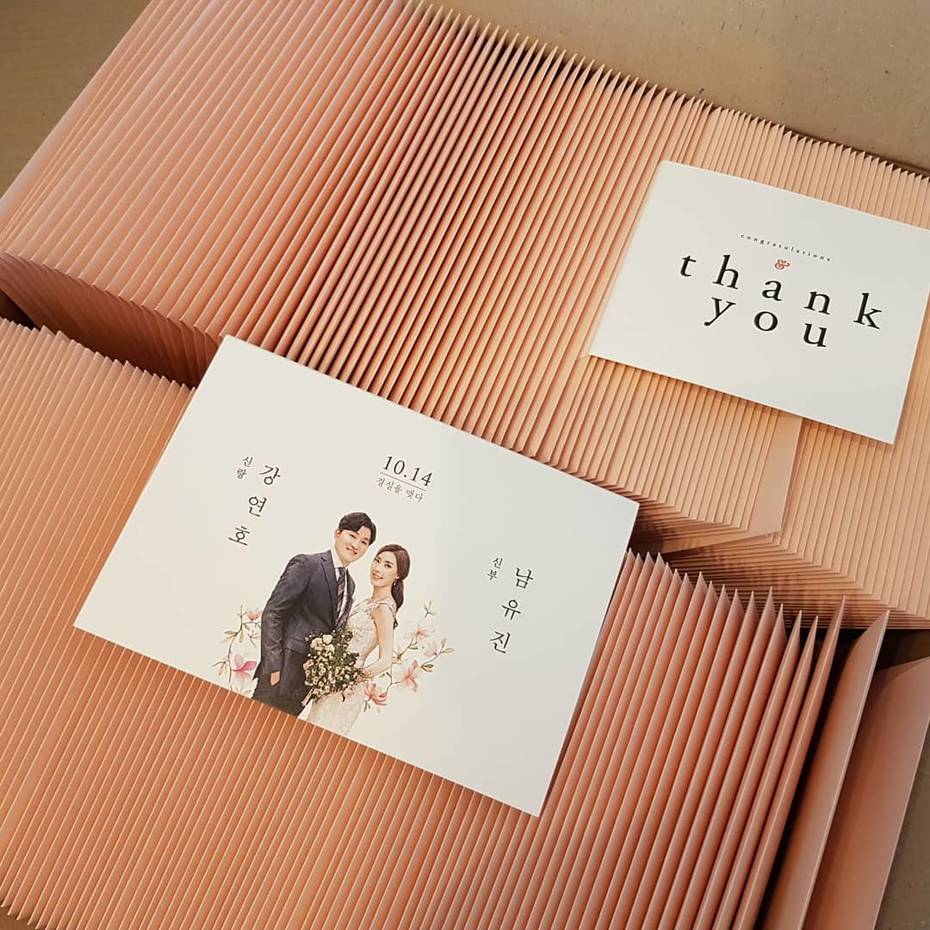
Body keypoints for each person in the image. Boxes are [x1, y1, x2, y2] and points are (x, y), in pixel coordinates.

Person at [251, 512, 376, 715]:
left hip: (304, 687)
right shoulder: (307, 564)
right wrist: (273, 668)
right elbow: (273, 613)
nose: (356, 545)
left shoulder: (350, 585)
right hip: (280, 676)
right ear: (337, 533)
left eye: (364, 542)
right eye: (352, 536)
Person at [301, 544, 410, 735]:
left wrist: (349, 678)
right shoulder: (367, 602)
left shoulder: (384, 608)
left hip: (346, 688)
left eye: (387, 565)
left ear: (398, 575)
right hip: (333, 681)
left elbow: (386, 660)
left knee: (319, 737)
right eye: (377, 561)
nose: (378, 568)